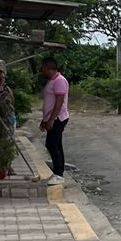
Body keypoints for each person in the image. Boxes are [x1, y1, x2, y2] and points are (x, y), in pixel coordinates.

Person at [39, 56, 70, 186]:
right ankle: (58, 172)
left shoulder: (59, 80)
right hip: (52, 117)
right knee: (56, 145)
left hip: (58, 117)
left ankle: (58, 173)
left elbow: (59, 102)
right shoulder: (52, 80)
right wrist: (45, 119)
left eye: (42, 67)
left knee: (51, 144)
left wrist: (52, 119)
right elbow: (49, 102)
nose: (41, 69)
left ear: (47, 67)